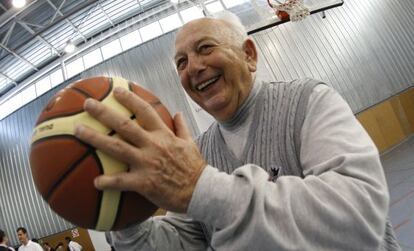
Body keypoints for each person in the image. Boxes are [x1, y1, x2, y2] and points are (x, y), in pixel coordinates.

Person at [74, 11, 401, 250]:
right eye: (182, 62)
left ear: (249, 55)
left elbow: (360, 217)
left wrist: (202, 188)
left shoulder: (308, 100)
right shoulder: (198, 153)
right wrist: (125, 220)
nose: (194, 67)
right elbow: (186, 241)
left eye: (204, 48)